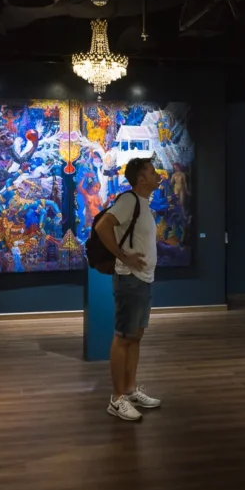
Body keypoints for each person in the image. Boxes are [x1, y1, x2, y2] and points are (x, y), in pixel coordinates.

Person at [93, 156, 164, 421]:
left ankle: (130, 389)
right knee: (123, 337)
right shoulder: (128, 201)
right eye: (152, 171)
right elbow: (102, 226)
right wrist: (123, 256)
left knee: (135, 336)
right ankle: (117, 398)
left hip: (143, 279)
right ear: (141, 178)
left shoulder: (143, 204)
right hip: (130, 280)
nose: (157, 175)